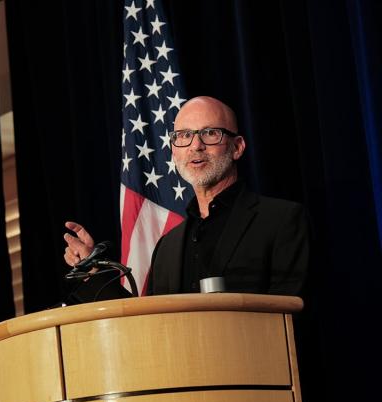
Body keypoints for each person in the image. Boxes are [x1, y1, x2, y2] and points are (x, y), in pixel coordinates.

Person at [64, 96, 309, 296]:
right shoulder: (168, 244)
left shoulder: (280, 220)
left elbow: (291, 316)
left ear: (237, 147)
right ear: (173, 151)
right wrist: (93, 269)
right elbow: (151, 324)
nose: (195, 146)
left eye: (210, 133)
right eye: (183, 135)